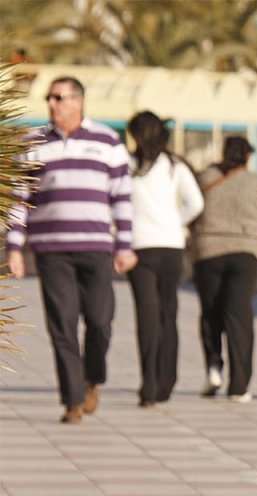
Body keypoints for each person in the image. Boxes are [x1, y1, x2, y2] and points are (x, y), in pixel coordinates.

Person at [4, 76, 135, 423]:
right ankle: (72, 400)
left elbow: (122, 197)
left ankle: (93, 377)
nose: (52, 104)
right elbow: (19, 197)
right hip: (52, 250)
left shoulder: (107, 141)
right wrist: (14, 247)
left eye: (59, 97)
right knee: (62, 324)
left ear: (79, 101)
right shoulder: (34, 143)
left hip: (97, 248)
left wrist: (125, 245)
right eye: (49, 98)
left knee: (100, 321)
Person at [190, 137, 257, 402]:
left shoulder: (205, 178)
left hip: (208, 251)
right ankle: (239, 385)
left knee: (210, 311)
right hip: (245, 253)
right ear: (247, 157)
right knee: (239, 314)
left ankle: (213, 368)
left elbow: (190, 209)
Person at [126, 110, 204, 408]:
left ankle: (148, 384)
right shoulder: (175, 166)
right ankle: (166, 381)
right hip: (171, 246)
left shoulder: (127, 165)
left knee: (146, 315)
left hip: (138, 247)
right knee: (168, 313)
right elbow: (196, 203)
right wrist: (174, 222)